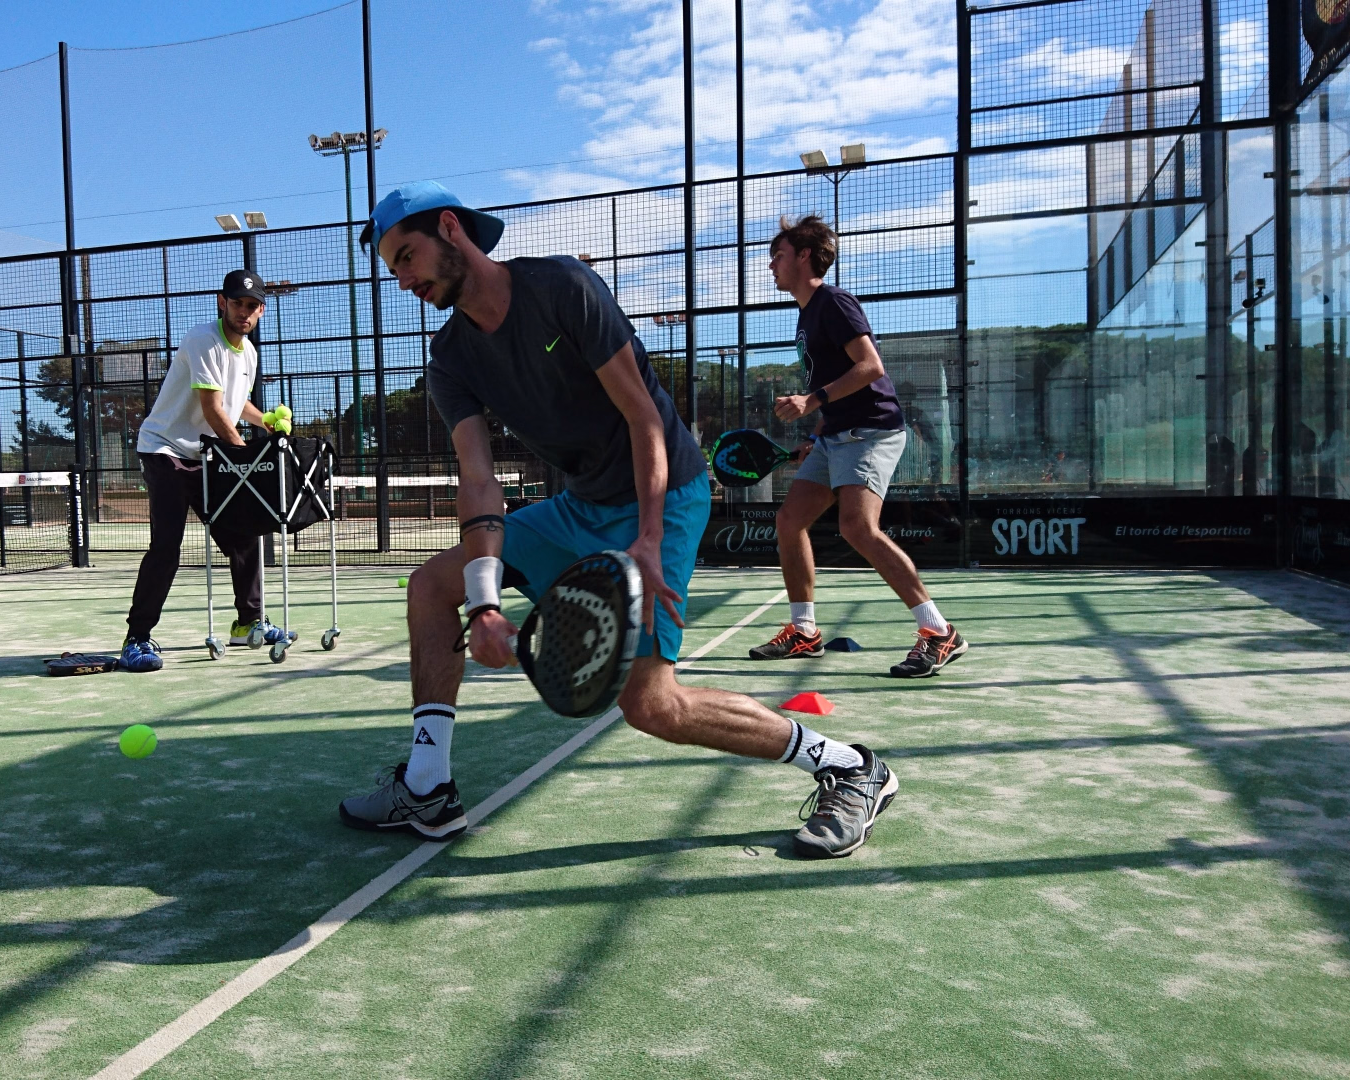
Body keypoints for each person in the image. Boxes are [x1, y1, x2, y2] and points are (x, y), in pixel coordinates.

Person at [336, 182, 898, 859]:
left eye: (406, 256)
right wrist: (483, 603)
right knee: (432, 586)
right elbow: (478, 478)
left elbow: (642, 416)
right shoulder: (451, 358)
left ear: (451, 229)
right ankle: (427, 785)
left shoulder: (562, 288)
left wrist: (649, 539)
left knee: (652, 706)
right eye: (392, 268)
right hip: (579, 507)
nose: (402, 280)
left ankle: (849, 766)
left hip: (665, 494)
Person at [748, 214, 968, 678]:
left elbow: (870, 367)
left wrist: (811, 400)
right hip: (834, 435)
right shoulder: (807, 315)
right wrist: (815, 434)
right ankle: (804, 632)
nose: (771, 265)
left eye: (778, 255)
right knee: (789, 521)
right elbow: (836, 386)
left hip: (871, 430)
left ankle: (939, 631)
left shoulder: (833, 302)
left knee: (857, 528)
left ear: (804, 256)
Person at [120, 269, 283, 673]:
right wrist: (244, 456)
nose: (244, 312)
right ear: (221, 302)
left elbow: (233, 402)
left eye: (252, 306)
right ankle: (136, 638)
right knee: (167, 545)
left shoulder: (249, 354)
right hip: (165, 450)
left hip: (205, 456)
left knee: (244, 535)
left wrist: (263, 420)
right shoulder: (202, 339)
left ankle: (248, 623)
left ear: (261, 311)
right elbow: (212, 408)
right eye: (237, 303)